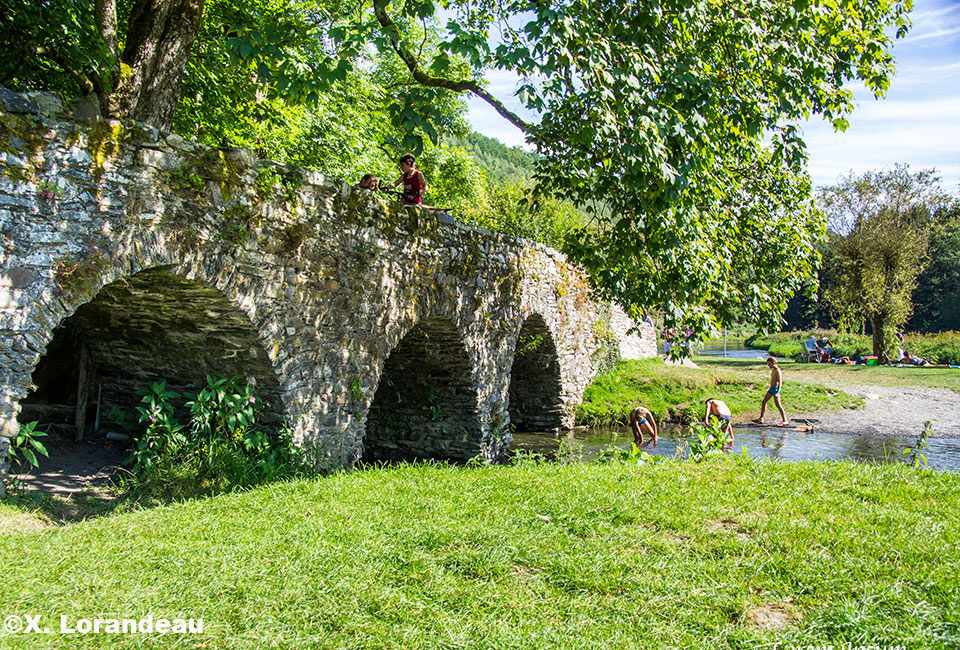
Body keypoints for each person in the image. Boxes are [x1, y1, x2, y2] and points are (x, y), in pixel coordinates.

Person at [753, 357, 788, 426]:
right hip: (771, 388)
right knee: (764, 402)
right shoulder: (773, 370)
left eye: (769, 364)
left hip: (775, 389)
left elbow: (780, 383)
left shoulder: (778, 371)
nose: (768, 366)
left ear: (774, 363)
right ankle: (761, 418)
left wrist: (778, 392)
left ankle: (785, 420)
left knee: (778, 405)